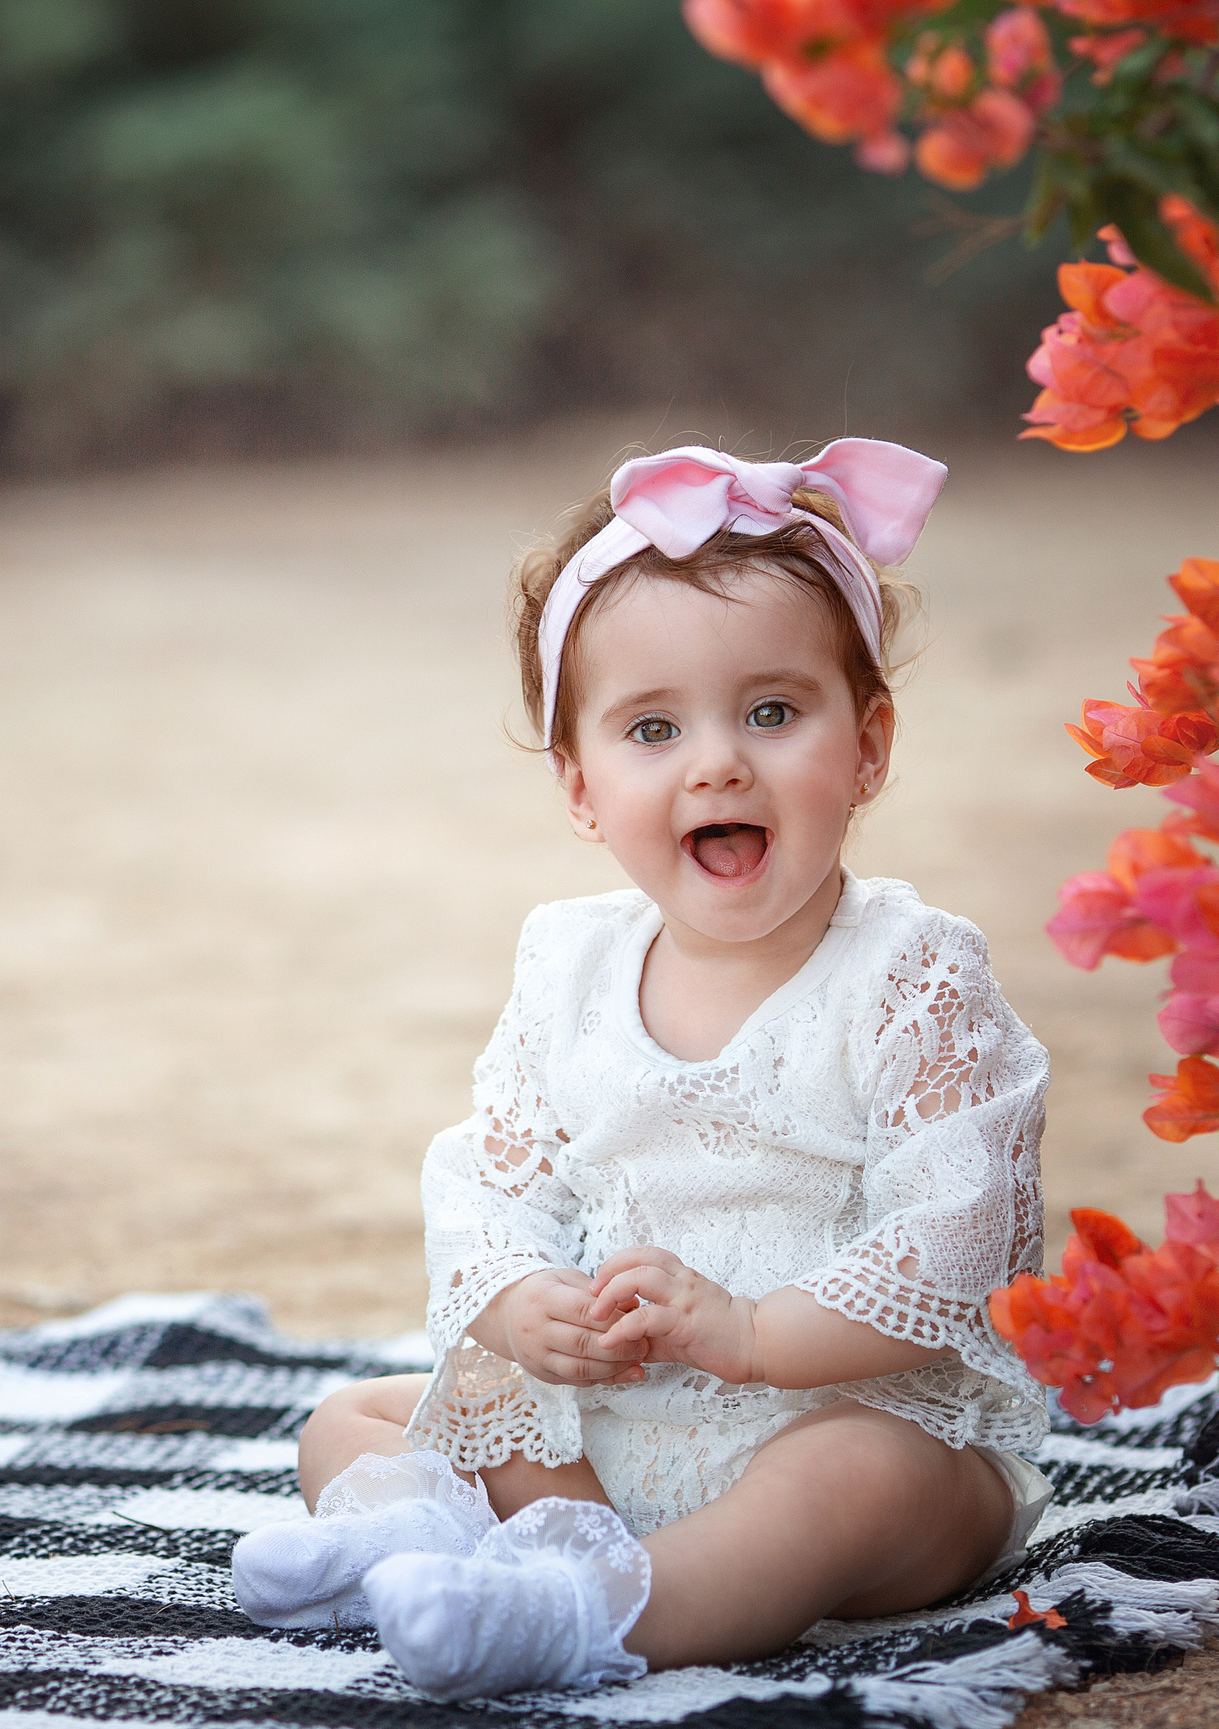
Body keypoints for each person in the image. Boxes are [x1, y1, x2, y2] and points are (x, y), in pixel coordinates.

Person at [230, 440, 1055, 1700]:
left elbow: (961, 1226)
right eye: (652, 728)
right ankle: (422, 1548)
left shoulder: (909, 975)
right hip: (621, 1429)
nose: (716, 761)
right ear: (580, 785)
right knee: (354, 1417)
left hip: (853, 1422)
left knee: (849, 1483)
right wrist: (518, 1305)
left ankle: (584, 1614)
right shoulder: (567, 966)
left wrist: (751, 1332)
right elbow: (489, 1175)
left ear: (869, 746)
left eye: (772, 713)